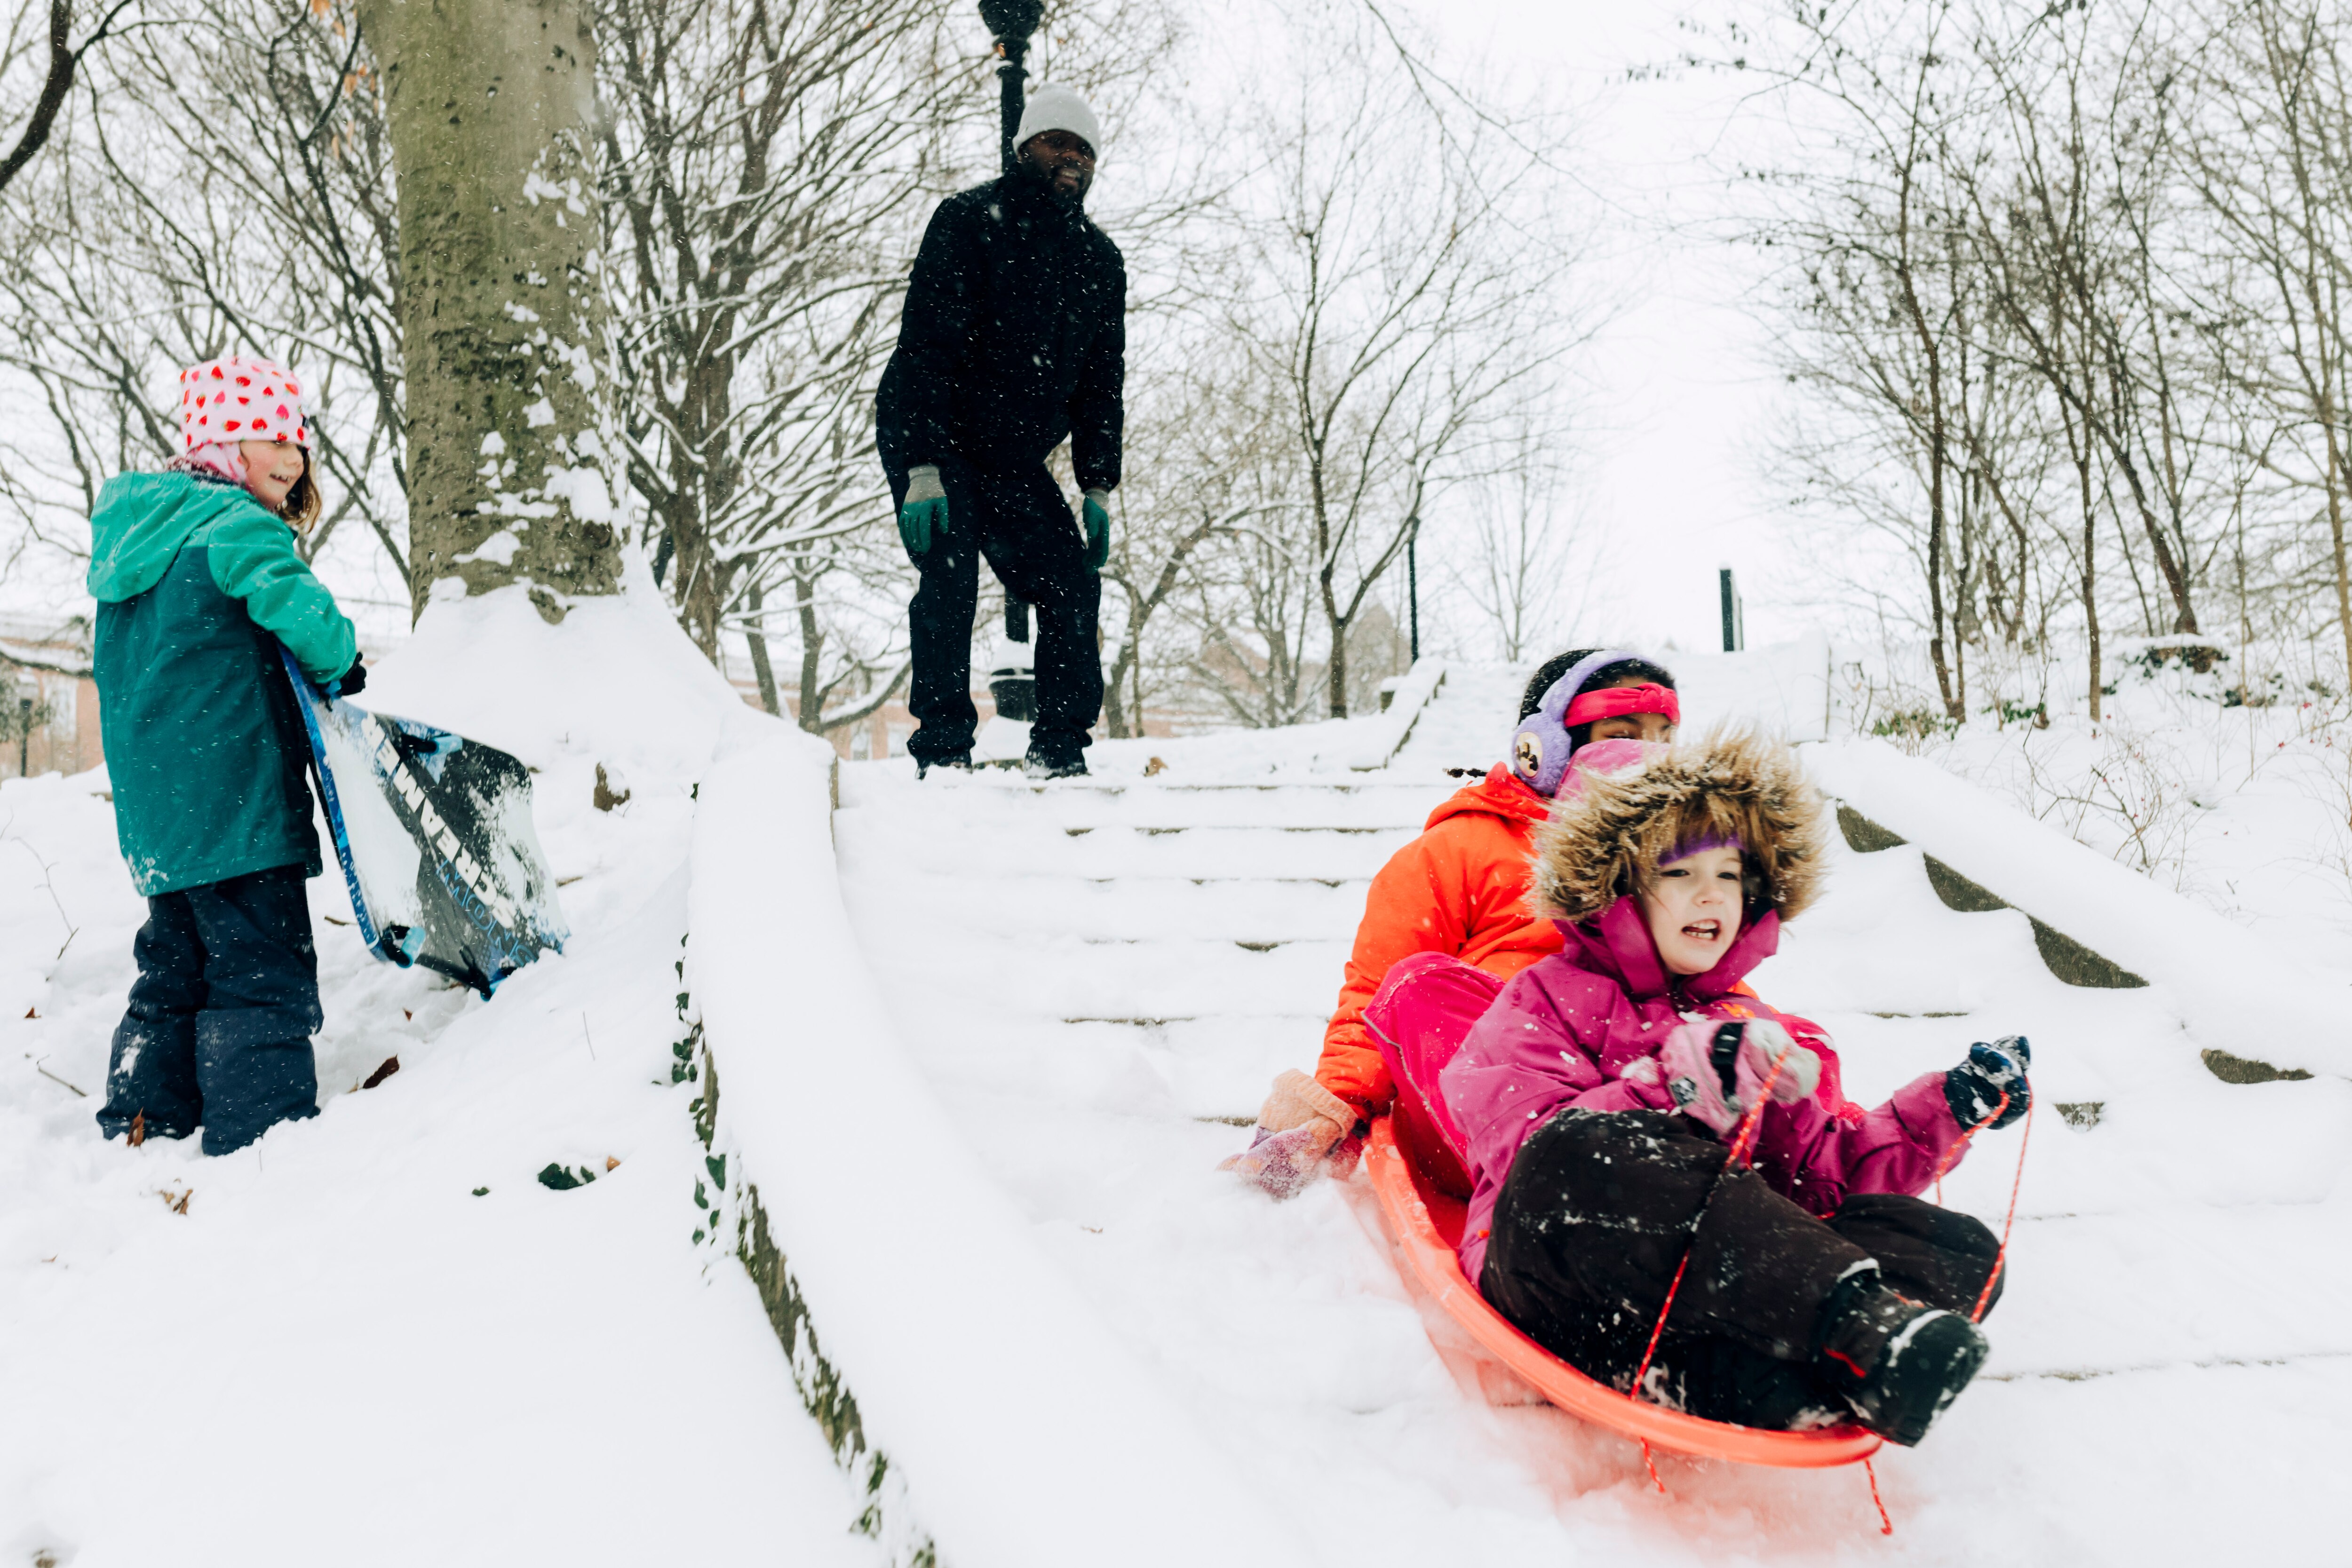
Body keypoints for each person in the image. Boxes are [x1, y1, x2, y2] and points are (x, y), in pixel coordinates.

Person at [1370, 731, 2030, 1446]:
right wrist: (1682, 1084)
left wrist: (1949, 1110)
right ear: (1617, 885)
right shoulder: (1539, 1001)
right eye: (1680, 873)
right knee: (1576, 1153)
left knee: (1956, 1247)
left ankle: (1787, 1378)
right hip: (1562, 1279)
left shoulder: (1748, 1025)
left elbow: (1825, 1178)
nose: (1713, 894)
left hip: (1708, 1306)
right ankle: (1853, 1326)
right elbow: (1527, 1149)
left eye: (1731, 873)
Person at [1224, 648, 1680, 1196]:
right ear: (1546, 748)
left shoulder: (1680, 860)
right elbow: (1377, 993)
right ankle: (1554, 1168)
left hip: (1623, 1089)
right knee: (1421, 987)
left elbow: (1715, 984)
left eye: (1662, 737)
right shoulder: (1461, 847)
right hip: (1486, 1099)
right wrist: (1339, 1106)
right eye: (1623, 732)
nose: (1646, 755)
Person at [90, 353, 365, 1156]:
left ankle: (144, 1118)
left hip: (161, 815)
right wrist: (339, 661)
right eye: (272, 436)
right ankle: (260, 1139)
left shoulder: (135, 540)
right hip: (237, 797)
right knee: (259, 967)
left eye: (300, 441)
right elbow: (313, 623)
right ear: (223, 442)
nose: (293, 456)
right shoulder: (236, 525)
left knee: (174, 965)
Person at [875, 83, 1125, 780]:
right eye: (1058, 143)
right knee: (951, 576)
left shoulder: (1100, 264)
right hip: (936, 429)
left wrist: (1099, 482)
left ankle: (1060, 748)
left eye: (1084, 149)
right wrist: (923, 465)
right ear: (1025, 149)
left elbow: (1104, 381)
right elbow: (926, 343)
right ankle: (945, 749)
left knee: (1071, 581)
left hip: (1010, 454)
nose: (1072, 158)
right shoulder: (966, 221)